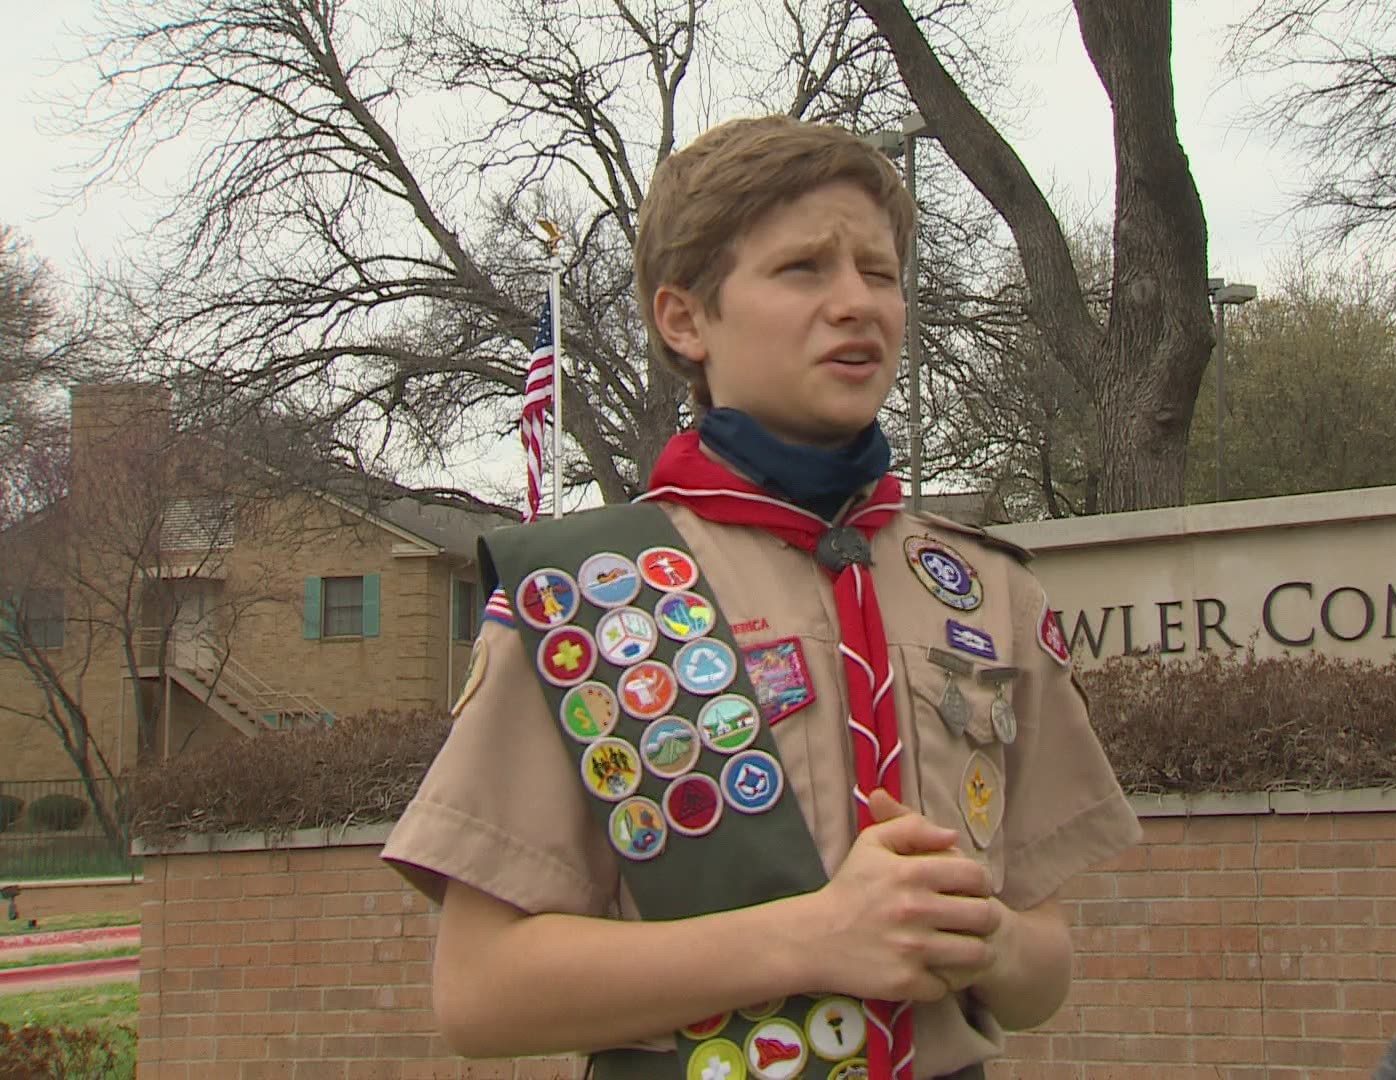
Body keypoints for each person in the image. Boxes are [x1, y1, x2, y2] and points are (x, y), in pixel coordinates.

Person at [380, 114, 1142, 1080]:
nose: (857, 303)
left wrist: (988, 944)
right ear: (685, 319)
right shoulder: (584, 594)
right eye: (803, 270)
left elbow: (1045, 972)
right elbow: (482, 994)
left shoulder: (986, 591)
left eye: (880, 272)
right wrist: (817, 938)